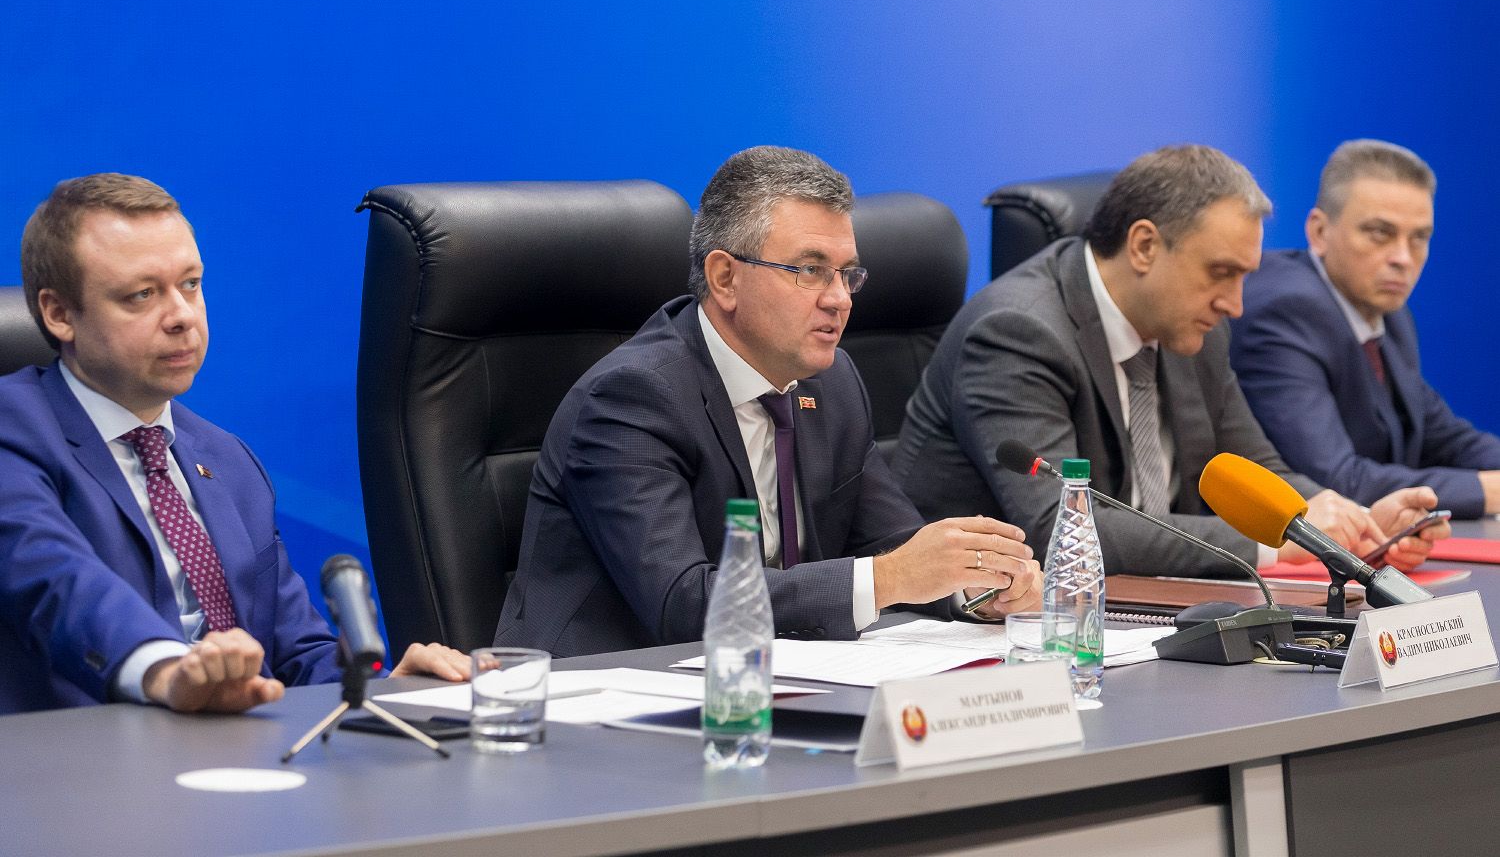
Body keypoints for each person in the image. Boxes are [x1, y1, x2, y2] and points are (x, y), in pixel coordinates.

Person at [495, 146, 1042, 657]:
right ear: (725, 277)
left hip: (780, 676)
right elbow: (682, 604)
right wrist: (891, 577)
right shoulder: (633, 397)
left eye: (847, 275)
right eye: (809, 271)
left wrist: (973, 585)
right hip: (606, 693)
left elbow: (889, 542)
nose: (839, 299)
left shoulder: (832, 382)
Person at [0, 173, 468, 716]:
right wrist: (168, 670)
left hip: (244, 755)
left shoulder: (226, 459)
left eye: (190, 284)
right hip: (81, 755)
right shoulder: (17, 429)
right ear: (59, 314)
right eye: (141, 294)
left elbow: (294, 654)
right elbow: (56, 584)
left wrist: (383, 694)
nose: (181, 316)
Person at [890, 145, 1448, 578]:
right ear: (1144, 246)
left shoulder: (1192, 326)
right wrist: (1273, 544)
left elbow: (1258, 466)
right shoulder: (1018, 332)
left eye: (1244, 277)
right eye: (1221, 273)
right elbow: (1061, 529)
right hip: (983, 626)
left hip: (1137, 606)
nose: (1235, 304)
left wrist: (1344, 519)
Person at [1232, 139, 1500, 518]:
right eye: (1380, 233)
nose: (1403, 258)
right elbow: (1336, 481)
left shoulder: (1388, 313)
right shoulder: (1286, 310)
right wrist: (1486, 491)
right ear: (1319, 232)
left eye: (1419, 238)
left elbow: (1441, 435)